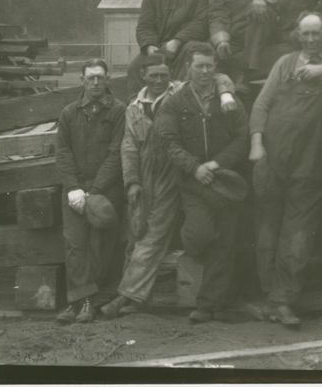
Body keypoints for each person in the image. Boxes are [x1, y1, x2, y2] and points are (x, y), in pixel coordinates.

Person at [101, 56, 237, 319]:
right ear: (144, 76)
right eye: (154, 75)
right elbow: (129, 148)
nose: (160, 80)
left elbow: (217, 77)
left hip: (177, 168)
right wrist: (132, 182)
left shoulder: (180, 92)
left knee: (155, 234)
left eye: (164, 75)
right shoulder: (134, 107)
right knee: (136, 232)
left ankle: (125, 296)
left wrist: (227, 94)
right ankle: (138, 297)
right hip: (146, 172)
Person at [247, 12, 322, 327]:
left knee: (297, 236)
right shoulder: (284, 63)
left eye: (316, 33)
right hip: (271, 157)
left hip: (309, 164)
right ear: (298, 35)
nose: (310, 40)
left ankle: (282, 301)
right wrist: (257, 144)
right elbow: (261, 105)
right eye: (305, 34)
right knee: (266, 232)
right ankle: (269, 295)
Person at [155, 43, 250, 323]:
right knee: (199, 236)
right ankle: (211, 291)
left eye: (210, 66)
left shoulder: (229, 100)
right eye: (200, 66)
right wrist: (194, 168)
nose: (206, 71)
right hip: (193, 182)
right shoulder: (175, 102)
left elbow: (242, 137)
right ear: (188, 68)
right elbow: (168, 142)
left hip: (225, 179)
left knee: (226, 241)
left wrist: (216, 164)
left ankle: (209, 304)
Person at [54, 59, 126, 324]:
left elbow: (116, 153)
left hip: (105, 189)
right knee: (75, 243)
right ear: (82, 81)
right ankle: (77, 302)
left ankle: (90, 302)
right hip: (75, 188)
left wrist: (94, 191)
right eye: (90, 78)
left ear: (107, 79)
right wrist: (73, 187)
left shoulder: (119, 111)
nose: (95, 83)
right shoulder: (69, 113)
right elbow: (62, 153)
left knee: (100, 245)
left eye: (100, 77)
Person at [128, 0, 210, 94]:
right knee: (135, 67)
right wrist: (149, 46)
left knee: (189, 60)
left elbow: (201, 23)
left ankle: (179, 101)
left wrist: (177, 41)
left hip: (186, 45)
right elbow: (145, 26)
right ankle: (137, 107)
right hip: (159, 47)